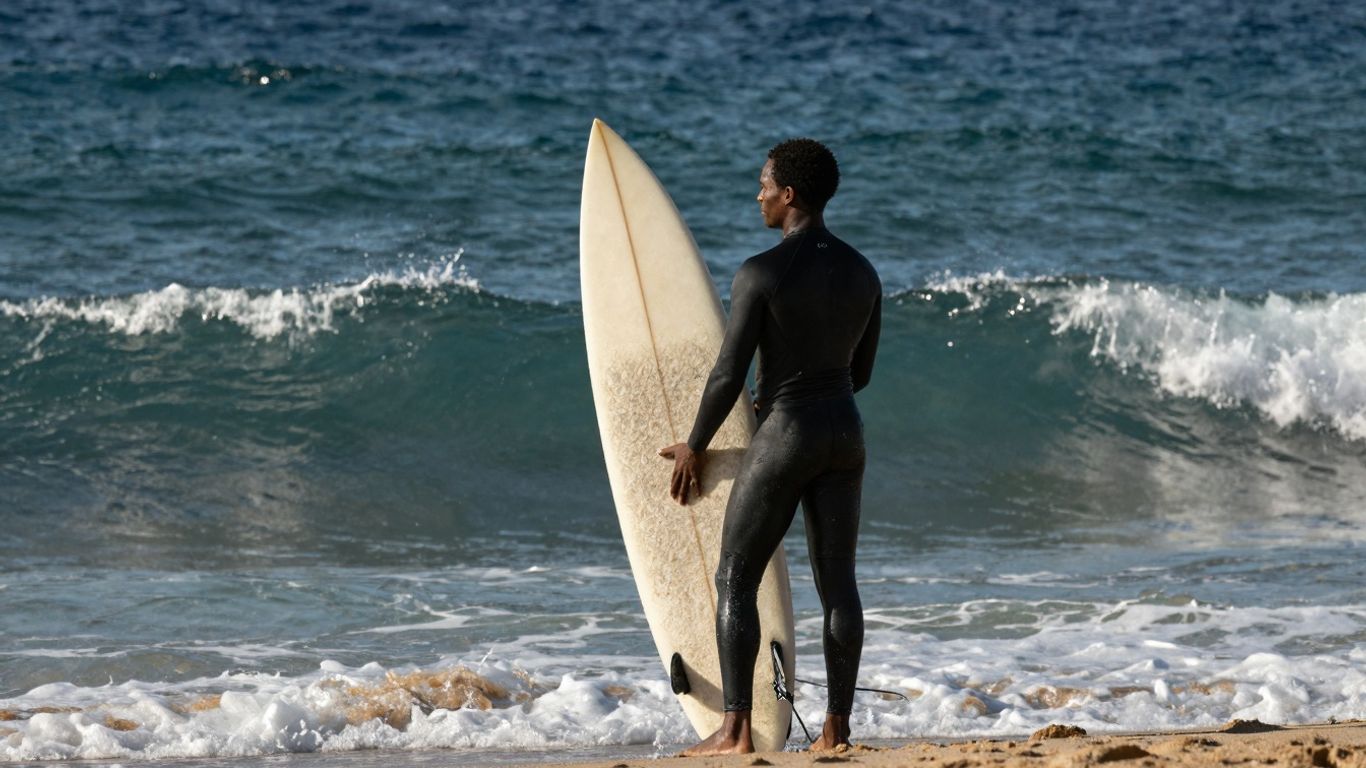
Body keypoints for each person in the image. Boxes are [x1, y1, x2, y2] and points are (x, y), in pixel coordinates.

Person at [658, 138, 882, 755]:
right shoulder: (863, 272)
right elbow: (860, 372)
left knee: (736, 575)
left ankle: (733, 730)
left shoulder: (760, 273)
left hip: (787, 432)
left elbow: (728, 372)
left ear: (789, 195)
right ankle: (836, 729)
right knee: (839, 583)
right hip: (846, 431)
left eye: (764, 184)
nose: (756, 194)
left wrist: (694, 446)